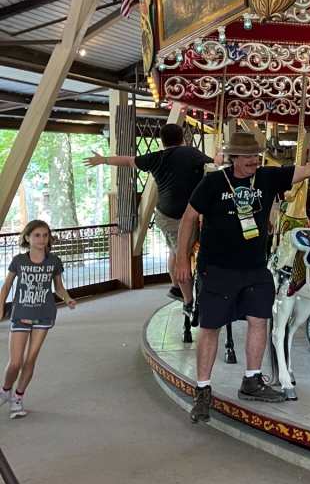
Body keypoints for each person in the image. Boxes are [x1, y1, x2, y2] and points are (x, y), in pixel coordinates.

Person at [177, 129, 310, 424]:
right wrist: (183, 258)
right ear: (233, 157)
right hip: (218, 268)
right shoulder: (212, 183)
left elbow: (309, 168)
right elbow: (187, 219)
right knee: (211, 328)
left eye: (256, 155)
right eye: (247, 156)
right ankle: (202, 390)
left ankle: (251, 380)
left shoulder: (267, 177)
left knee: (259, 321)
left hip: (255, 267)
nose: (253, 160)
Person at [85, 124, 219, 310]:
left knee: (174, 250)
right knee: (183, 255)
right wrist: (220, 155)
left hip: (163, 214)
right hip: (182, 216)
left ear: (162, 141)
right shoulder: (191, 153)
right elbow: (214, 166)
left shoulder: (156, 158)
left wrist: (103, 160)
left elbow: (128, 161)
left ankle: (176, 287)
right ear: (183, 138)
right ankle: (189, 301)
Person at [0, 220, 76, 418]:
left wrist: (67, 297)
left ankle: (18, 398)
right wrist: (0, 308)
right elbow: (7, 286)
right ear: (27, 238)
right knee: (15, 362)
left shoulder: (54, 261)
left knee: (30, 359)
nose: (42, 239)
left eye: (45, 235)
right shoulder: (18, 260)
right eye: (37, 235)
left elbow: (58, 287)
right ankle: (5, 390)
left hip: (44, 315)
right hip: (21, 314)